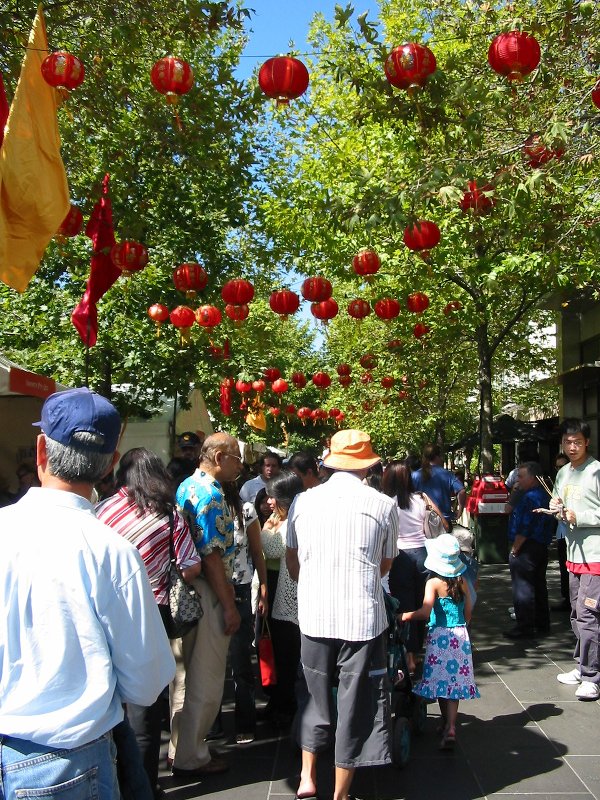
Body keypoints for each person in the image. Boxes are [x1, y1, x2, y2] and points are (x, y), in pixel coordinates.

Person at [0, 387, 175, 798]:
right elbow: (147, 681)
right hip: (67, 759)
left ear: (41, 449)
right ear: (110, 465)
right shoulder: (111, 552)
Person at [286, 429, 399, 800]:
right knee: (357, 700)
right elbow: (385, 565)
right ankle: (341, 792)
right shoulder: (384, 505)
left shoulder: (302, 501)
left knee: (312, 694)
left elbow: (293, 559)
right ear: (368, 466)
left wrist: (315, 582)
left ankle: (307, 776)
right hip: (362, 617)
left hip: (315, 613)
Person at [95, 447, 202, 796]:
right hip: (150, 615)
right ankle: (142, 785)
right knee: (146, 706)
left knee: (105, 699)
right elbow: (190, 566)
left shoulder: (102, 511)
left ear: (123, 473)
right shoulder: (170, 516)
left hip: (104, 615)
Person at [169, 432, 243, 775]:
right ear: (218, 457)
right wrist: (229, 605)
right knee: (206, 678)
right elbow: (212, 556)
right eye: (236, 458)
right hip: (209, 589)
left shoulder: (186, 486)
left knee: (183, 677)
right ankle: (192, 755)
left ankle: (179, 748)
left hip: (188, 591)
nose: (240, 465)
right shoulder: (211, 495)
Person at [402, 534, 480, 750]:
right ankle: (451, 726)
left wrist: (407, 615)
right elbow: (468, 609)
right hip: (460, 635)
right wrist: (463, 624)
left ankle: (446, 723)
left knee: (441, 681)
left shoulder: (433, 583)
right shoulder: (462, 580)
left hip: (440, 638)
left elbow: (426, 611)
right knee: (454, 683)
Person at [551, 419, 600, 701]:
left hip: (595, 555)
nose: (572, 447)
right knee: (575, 612)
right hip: (573, 555)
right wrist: (555, 508)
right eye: (568, 442)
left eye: (577, 442)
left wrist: (579, 517)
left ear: (587, 442)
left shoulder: (596, 472)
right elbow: (557, 502)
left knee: (588, 613)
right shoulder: (563, 474)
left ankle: (592, 676)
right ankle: (583, 666)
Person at [383, 460, 447, 674]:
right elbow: (442, 523)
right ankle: (421, 652)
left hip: (398, 557)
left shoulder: (386, 502)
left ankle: (407, 656)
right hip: (423, 555)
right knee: (423, 604)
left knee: (404, 606)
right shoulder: (421, 498)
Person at [219, 480, 268, 743]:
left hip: (240, 587)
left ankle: (245, 720)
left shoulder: (246, 510)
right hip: (212, 589)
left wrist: (263, 588)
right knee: (211, 663)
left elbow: (257, 552)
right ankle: (212, 724)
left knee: (240, 660)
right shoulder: (200, 509)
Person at [260, 471, 304, 725]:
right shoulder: (300, 517)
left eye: (273, 497)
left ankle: (286, 707)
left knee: (286, 658)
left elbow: (271, 548)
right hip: (297, 600)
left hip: (290, 604)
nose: (269, 502)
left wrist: (265, 529)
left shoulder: (288, 523)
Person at [503, 462, 555, 640]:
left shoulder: (530, 497)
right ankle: (542, 622)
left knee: (523, 587)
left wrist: (516, 548)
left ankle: (525, 626)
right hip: (541, 546)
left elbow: (525, 526)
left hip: (528, 547)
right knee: (539, 585)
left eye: (521, 476)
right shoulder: (542, 494)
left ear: (532, 478)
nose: (518, 480)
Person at [412, 443, 466, 528]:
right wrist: (460, 511)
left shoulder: (415, 475)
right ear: (437, 456)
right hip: (444, 522)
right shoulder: (447, 475)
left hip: (421, 522)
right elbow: (462, 491)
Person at [552, 452, 571, 612]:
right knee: (564, 568)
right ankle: (567, 598)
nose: (560, 469)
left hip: (573, 533)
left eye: (563, 466)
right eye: (557, 467)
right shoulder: (558, 483)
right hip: (561, 533)